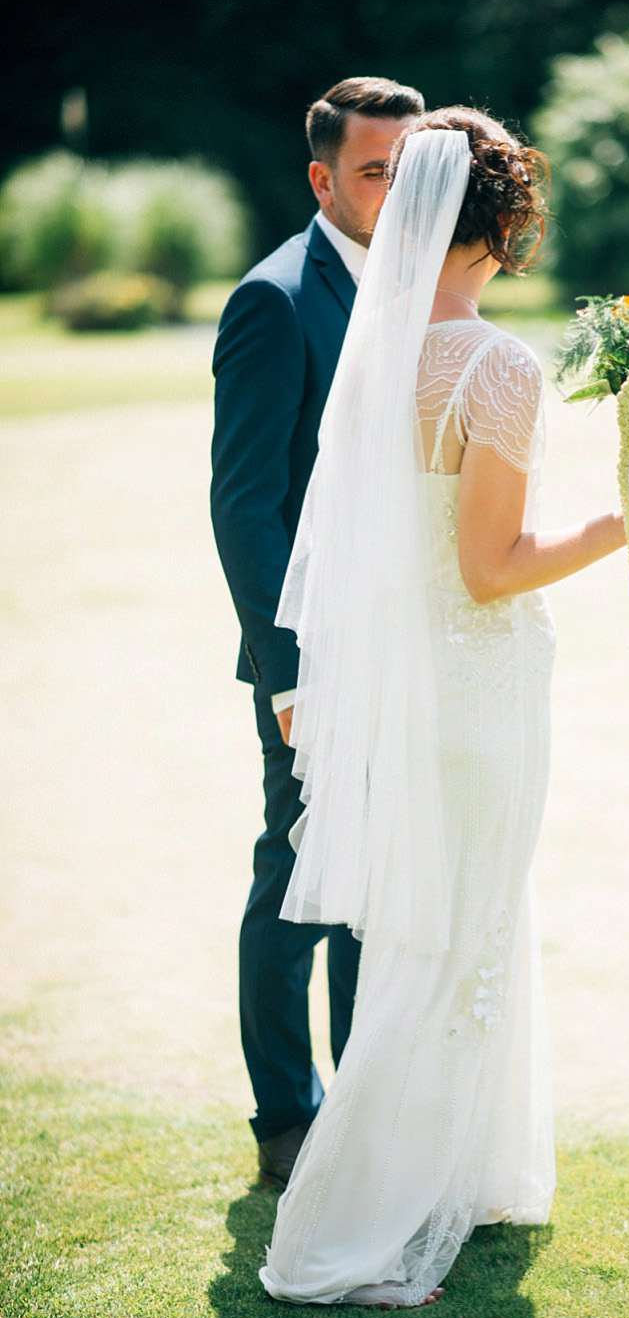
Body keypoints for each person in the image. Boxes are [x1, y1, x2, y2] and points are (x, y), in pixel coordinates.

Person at [259, 108, 629, 1308]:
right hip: (476, 679)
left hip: (414, 684)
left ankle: (471, 1169)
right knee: (457, 938)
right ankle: (352, 1223)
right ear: (504, 226)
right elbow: (493, 565)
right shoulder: (492, 363)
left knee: (444, 934)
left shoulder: (373, 350)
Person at [211, 77, 426, 1189]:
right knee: (297, 884)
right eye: (372, 172)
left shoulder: (419, 292)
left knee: (380, 884)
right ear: (322, 179)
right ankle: (286, 1121)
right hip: (316, 655)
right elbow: (244, 502)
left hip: (409, 645)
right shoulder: (274, 300)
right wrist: (288, 671)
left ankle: (363, 1102)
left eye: (407, 170)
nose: (392, 194)